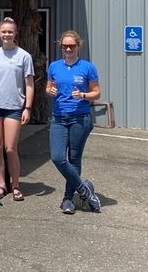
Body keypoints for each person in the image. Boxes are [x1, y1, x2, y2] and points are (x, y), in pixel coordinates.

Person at [46, 30, 102, 214]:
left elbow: (97, 93)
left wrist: (83, 95)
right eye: (65, 46)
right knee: (57, 157)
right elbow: (49, 87)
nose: (68, 49)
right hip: (59, 117)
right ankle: (84, 190)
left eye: (71, 46)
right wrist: (50, 91)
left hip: (80, 118)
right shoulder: (54, 66)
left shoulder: (87, 67)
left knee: (74, 159)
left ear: (78, 46)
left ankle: (68, 199)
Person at [0, 17, 34, 202]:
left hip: (14, 107)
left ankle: (16, 185)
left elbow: (29, 84)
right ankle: (2, 184)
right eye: (4, 31)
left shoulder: (24, 56)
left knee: (10, 148)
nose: (7, 35)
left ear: (15, 33)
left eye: (10, 32)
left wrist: (27, 108)